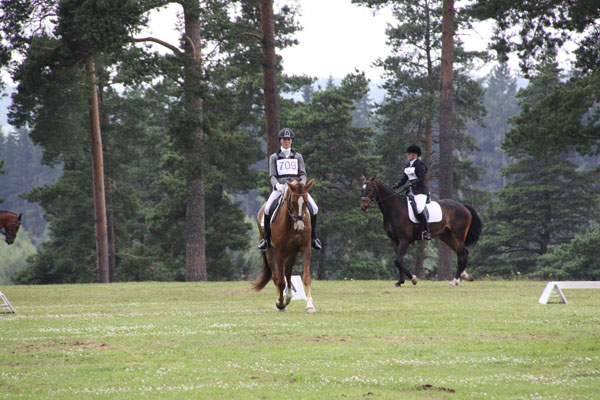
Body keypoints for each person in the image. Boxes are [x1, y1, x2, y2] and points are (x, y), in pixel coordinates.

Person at [258, 128, 322, 250]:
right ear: (280, 141)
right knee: (267, 209)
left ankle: (313, 238)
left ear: (291, 141)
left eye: (288, 139)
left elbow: (303, 174)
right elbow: (272, 175)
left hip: (297, 189)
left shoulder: (298, 156)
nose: (286, 141)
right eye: (284, 139)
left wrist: (301, 185)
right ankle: (266, 239)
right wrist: (276, 185)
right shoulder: (274, 157)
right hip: (280, 188)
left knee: (314, 208)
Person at [391, 145, 432, 240]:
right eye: (408, 154)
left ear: (415, 155)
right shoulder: (408, 166)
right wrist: (395, 186)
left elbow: (421, 178)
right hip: (410, 193)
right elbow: (403, 180)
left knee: (419, 209)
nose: (408, 155)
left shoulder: (420, 165)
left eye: (410, 153)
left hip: (420, 192)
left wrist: (411, 184)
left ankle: (427, 231)